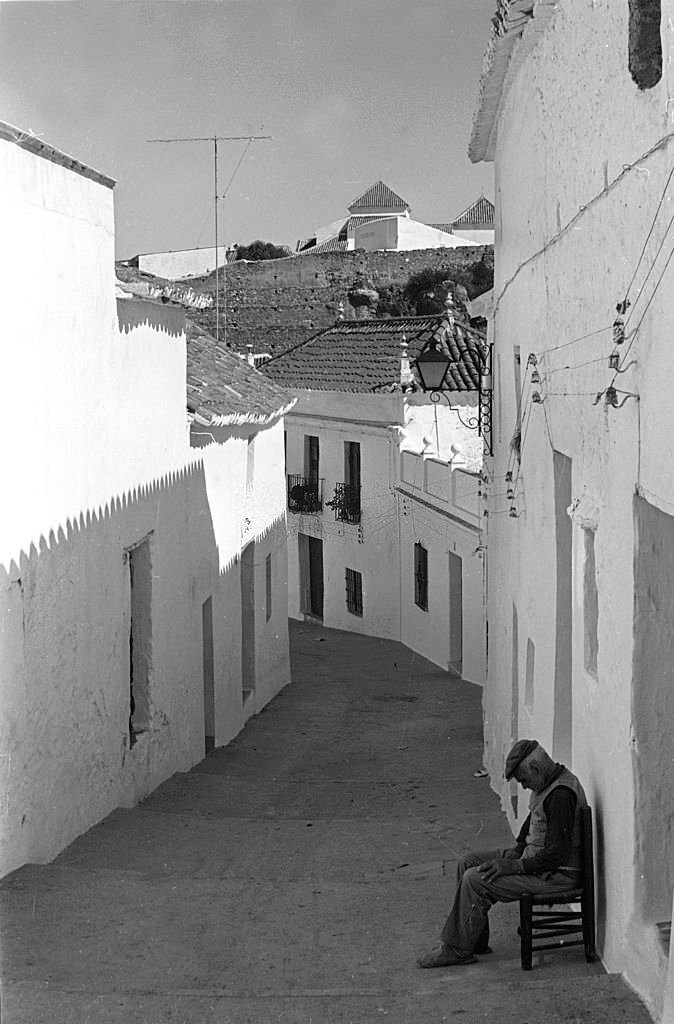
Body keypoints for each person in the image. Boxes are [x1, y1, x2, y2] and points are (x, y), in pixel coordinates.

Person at [417, 738, 587, 968]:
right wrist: (515, 853)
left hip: (556, 876)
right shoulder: (548, 784)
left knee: (475, 880)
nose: (524, 786)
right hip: (537, 862)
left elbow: (556, 854)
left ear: (535, 768)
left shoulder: (560, 796)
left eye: (523, 780)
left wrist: (513, 865)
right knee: (468, 862)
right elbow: (531, 828)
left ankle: (456, 949)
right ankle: (473, 939)